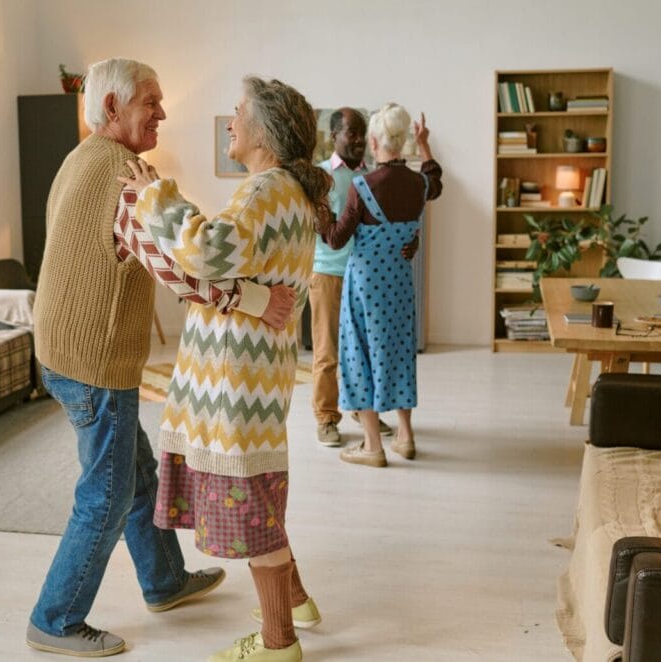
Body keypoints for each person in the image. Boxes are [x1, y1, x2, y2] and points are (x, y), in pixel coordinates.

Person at [28, 58, 297, 658]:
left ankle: (164, 580)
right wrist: (256, 299)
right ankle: (55, 618)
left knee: (136, 472)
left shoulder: (82, 160)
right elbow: (178, 271)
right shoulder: (122, 180)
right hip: (92, 361)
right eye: (151, 101)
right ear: (111, 109)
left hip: (67, 350)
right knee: (106, 493)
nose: (164, 113)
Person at [121, 76, 328, 662]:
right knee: (261, 496)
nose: (230, 121)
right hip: (255, 375)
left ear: (264, 130)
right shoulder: (291, 193)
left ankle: (278, 642)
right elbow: (230, 269)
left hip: (236, 378)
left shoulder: (265, 191)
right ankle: (299, 603)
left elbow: (208, 252)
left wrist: (157, 197)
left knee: (255, 510)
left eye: (238, 113)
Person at [317, 102, 443, 468]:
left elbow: (336, 239)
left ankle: (372, 446)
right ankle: (406, 436)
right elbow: (436, 180)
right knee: (399, 353)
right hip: (400, 281)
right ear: (401, 141)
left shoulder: (363, 185)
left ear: (374, 141)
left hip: (365, 284)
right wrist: (424, 146)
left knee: (359, 357)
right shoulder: (420, 183)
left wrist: (319, 212)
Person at [311, 108, 402, 447]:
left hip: (366, 276)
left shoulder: (374, 177)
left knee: (363, 351)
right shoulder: (320, 176)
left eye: (363, 132)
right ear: (334, 135)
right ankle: (325, 418)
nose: (360, 139)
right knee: (327, 353)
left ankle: (363, 413)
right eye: (352, 132)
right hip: (329, 275)